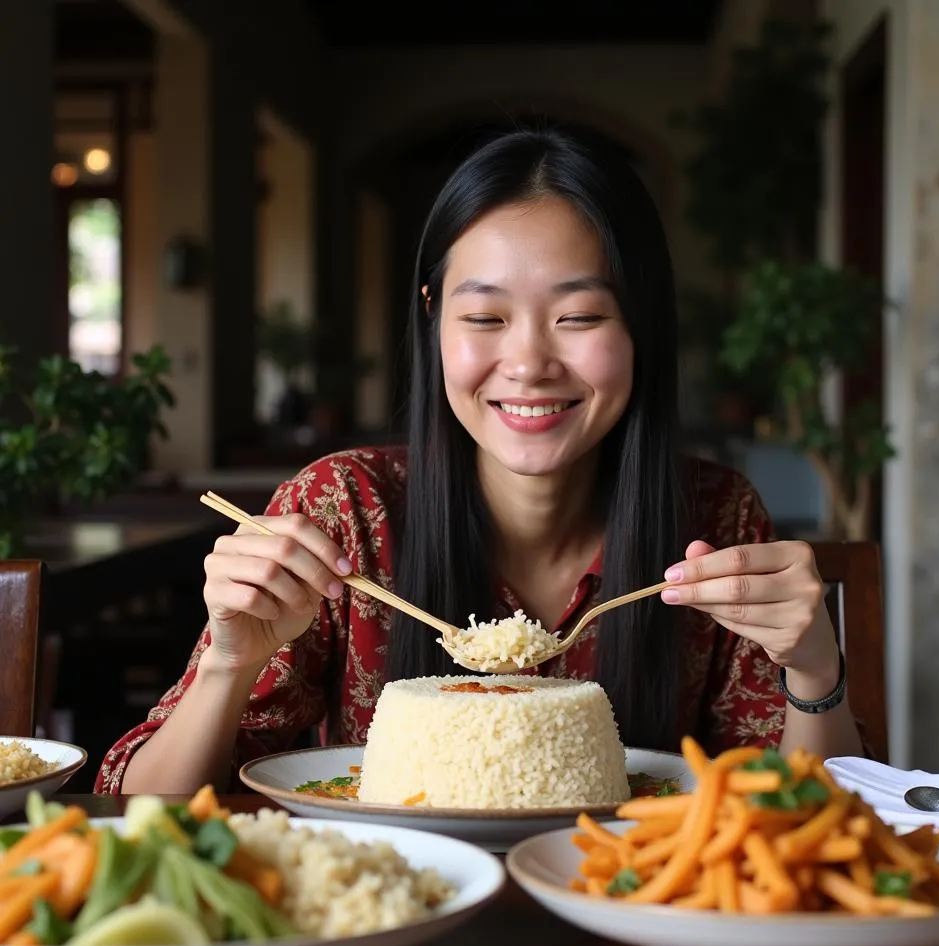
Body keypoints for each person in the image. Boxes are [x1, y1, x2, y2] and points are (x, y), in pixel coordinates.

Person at [99, 126, 863, 796]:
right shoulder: (343, 513)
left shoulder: (715, 523)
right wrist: (231, 664)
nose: (528, 362)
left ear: (642, 326)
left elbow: (801, 821)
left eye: (579, 317)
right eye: (485, 317)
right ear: (434, 318)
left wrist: (815, 674)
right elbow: (134, 811)